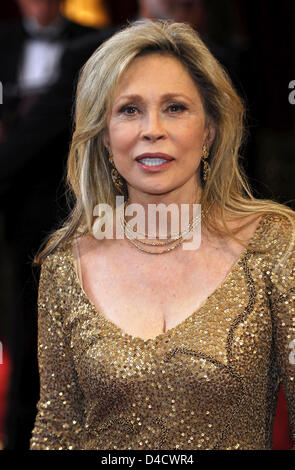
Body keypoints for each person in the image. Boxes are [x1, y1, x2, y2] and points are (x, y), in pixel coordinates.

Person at [29, 20, 295, 450]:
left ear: (209, 130)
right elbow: (57, 429)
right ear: (103, 137)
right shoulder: (66, 263)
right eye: (129, 109)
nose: (152, 129)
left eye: (175, 107)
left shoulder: (275, 245)